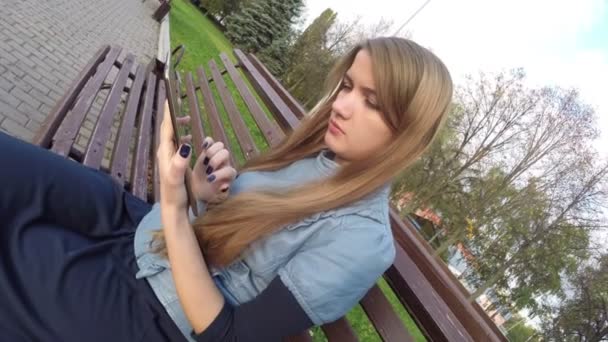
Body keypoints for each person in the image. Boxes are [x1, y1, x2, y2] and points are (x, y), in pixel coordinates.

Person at [0, 36, 452, 341]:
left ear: (407, 131)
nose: (342, 104)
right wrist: (200, 190)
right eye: (348, 86)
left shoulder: (362, 241)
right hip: (133, 226)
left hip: (148, 309)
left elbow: (228, 335)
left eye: (370, 102)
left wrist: (177, 209)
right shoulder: (320, 158)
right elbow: (217, 223)